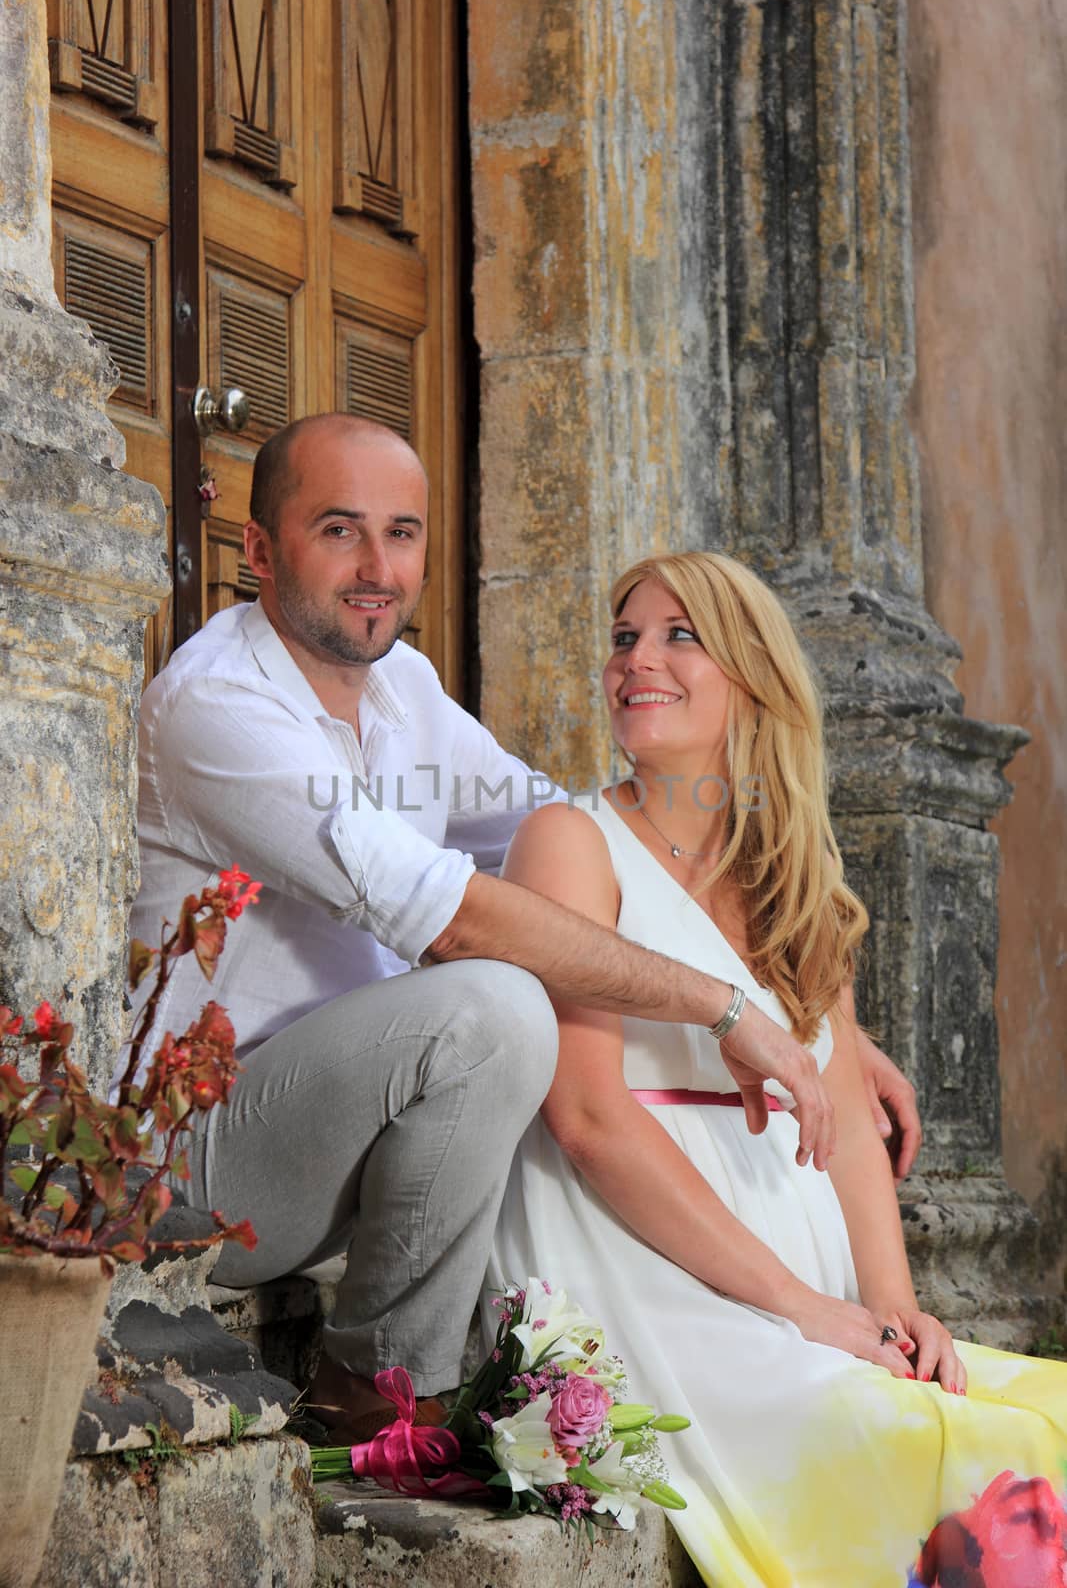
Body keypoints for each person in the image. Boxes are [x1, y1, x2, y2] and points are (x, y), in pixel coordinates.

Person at [126, 414, 912, 1442]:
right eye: (338, 530)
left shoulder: (401, 690)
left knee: (498, 999)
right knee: (491, 1006)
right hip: (204, 1161)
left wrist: (822, 1028)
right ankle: (381, 1395)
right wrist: (724, 1009)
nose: (376, 567)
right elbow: (451, 918)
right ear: (260, 551)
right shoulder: (214, 707)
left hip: (361, 1127)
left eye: (401, 533)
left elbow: (580, 838)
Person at [487, 550, 1067, 1587]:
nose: (636, 660)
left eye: (678, 636)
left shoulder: (793, 874)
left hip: (808, 1283)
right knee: (948, 1457)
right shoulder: (569, 840)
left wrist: (893, 1306)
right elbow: (583, 1116)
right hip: (637, 1270)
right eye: (623, 637)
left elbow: (842, 1109)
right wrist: (801, 1307)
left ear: (751, 673)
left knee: (1042, 1416)